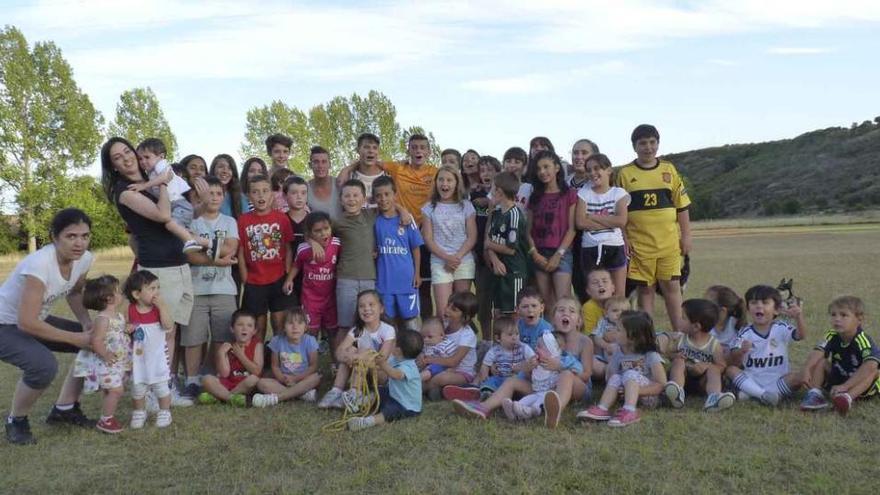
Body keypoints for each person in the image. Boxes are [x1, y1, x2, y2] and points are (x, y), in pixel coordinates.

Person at [101, 137, 194, 407]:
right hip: (157, 268)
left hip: (177, 261)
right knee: (155, 334)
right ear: (113, 166)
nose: (127, 158)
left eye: (128, 151)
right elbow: (164, 215)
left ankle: (164, 388)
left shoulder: (152, 176)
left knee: (170, 330)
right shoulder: (126, 191)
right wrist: (163, 182)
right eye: (118, 157)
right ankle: (149, 393)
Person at [0, 209, 97, 445]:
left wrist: (86, 324)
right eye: (71, 236)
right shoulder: (39, 264)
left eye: (85, 236)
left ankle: (64, 409)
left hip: (34, 319)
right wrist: (75, 339)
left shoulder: (84, 259)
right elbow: (26, 322)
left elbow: (74, 292)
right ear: (55, 237)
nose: (79, 243)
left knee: (93, 340)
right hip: (5, 324)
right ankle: (17, 421)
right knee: (43, 365)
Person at [615, 124, 691, 331]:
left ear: (657, 144)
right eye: (643, 143)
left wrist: (686, 236)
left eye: (652, 142)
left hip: (668, 243)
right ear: (634, 146)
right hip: (640, 245)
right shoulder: (625, 173)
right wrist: (625, 238)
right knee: (645, 291)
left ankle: (678, 336)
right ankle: (647, 338)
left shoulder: (669, 170)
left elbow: (682, 206)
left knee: (672, 288)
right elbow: (619, 213)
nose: (648, 147)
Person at [180, 176, 240, 400]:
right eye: (209, 193)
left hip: (224, 289)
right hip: (196, 288)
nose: (213, 198)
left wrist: (205, 246)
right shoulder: (192, 222)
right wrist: (217, 258)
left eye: (218, 194)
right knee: (194, 337)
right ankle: (192, 380)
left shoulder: (229, 221)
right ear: (199, 196)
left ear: (223, 197)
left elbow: (230, 248)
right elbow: (190, 255)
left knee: (222, 336)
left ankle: (214, 376)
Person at [578, 310, 666, 427]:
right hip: (625, 395)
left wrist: (636, 391)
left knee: (630, 373)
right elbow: (611, 377)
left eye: (618, 330)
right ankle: (602, 408)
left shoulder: (650, 355)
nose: (614, 332)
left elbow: (661, 384)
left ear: (632, 337)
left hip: (648, 397)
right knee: (616, 377)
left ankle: (630, 411)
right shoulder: (618, 352)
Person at [237, 174, 296, 341]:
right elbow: (240, 250)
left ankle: (280, 360)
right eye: (255, 192)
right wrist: (244, 277)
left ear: (272, 194)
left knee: (280, 323)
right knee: (258, 326)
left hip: (278, 278)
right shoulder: (243, 220)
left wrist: (286, 272)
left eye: (265, 191)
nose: (260, 195)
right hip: (254, 281)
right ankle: (259, 362)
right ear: (249, 196)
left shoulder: (281, 218)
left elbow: (288, 247)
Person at [725, 285, 806, 406]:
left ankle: (754, 394)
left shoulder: (781, 328)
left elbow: (801, 335)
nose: (759, 306)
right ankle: (763, 395)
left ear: (776, 310)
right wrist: (741, 350)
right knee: (731, 370)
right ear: (748, 309)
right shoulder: (745, 332)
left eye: (765, 302)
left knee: (799, 377)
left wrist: (799, 317)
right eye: (754, 302)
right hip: (753, 379)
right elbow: (733, 356)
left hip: (778, 379)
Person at [801, 296, 880, 415]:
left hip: (861, 386)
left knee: (874, 371)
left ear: (859, 319)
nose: (837, 319)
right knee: (821, 362)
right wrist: (807, 369)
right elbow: (818, 352)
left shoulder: (862, 340)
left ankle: (847, 399)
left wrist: (845, 386)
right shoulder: (831, 335)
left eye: (843, 315)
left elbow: (871, 365)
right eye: (833, 315)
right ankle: (815, 395)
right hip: (840, 378)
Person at [318, 290, 396, 410]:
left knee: (359, 351)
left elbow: (382, 358)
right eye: (361, 306)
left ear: (381, 309)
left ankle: (354, 393)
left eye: (371, 304)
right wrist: (349, 356)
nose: (366, 309)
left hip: (383, 374)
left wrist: (358, 357)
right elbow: (338, 352)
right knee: (350, 351)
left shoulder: (388, 330)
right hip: (363, 372)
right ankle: (336, 391)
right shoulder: (357, 330)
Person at [72, 275, 131, 434]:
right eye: (118, 292)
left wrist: (127, 329)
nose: (121, 295)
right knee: (116, 390)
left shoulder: (117, 315)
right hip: (106, 363)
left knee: (111, 390)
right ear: (109, 298)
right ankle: (106, 420)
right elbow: (96, 340)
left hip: (116, 361)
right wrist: (105, 354)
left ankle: (107, 416)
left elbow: (116, 332)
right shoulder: (103, 319)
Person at [421, 165, 478, 316]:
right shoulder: (429, 208)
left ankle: (463, 339)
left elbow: (472, 236)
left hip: (463, 260)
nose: (444, 184)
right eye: (441, 180)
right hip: (440, 262)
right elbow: (428, 239)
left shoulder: (466, 206)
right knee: (443, 311)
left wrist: (457, 257)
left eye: (449, 180)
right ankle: (444, 339)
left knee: (463, 310)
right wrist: (447, 258)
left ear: (456, 183)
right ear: (436, 182)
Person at [133, 138, 206, 253]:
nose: (143, 161)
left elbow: (164, 178)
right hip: (174, 206)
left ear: (161, 157)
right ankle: (209, 243)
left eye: (147, 157)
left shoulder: (161, 166)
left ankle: (191, 242)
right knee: (177, 229)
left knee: (171, 225)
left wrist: (144, 186)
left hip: (179, 205)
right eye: (140, 159)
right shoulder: (151, 173)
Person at [526, 150, 577, 313]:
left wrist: (558, 254)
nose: (542, 172)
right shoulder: (535, 197)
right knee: (546, 305)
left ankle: (567, 338)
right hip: (539, 253)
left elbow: (572, 228)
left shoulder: (569, 194)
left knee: (564, 304)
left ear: (556, 167)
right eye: (538, 168)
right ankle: (550, 338)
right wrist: (534, 253)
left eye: (546, 167)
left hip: (562, 253)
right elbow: (527, 230)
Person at [664, 299, 735, 412]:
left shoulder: (713, 345)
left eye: (683, 318)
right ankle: (677, 392)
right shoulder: (680, 339)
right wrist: (675, 356)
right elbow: (669, 354)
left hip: (703, 383)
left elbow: (722, 365)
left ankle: (714, 397)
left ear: (696, 326)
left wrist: (706, 366)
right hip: (684, 378)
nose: (678, 319)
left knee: (714, 369)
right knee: (678, 362)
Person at [125, 270, 175, 429]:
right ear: (136, 294)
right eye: (152, 288)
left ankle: (165, 411)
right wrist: (128, 328)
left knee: (161, 386)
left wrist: (163, 307)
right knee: (138, 387)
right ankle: (139, 411)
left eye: (157, 288)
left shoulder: (158, 308)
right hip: (138, 358)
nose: (157, 292)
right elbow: (125, 327)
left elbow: (168, 326)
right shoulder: (131, 309)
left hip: (158, 356)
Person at [348, 329, 425, 431]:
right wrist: (365, 362)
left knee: (389, 411)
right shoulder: (395, 358)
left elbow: (396, 375)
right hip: (394, 396)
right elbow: (378, 365)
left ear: (398, 350)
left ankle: (367, 422)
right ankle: (360, 403)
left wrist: (382, 364)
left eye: (394, 342)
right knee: (379, 391)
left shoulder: (410, 366)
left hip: (407, 406)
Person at [575, 153, 630, 298]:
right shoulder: (584, 193)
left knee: (618, 294)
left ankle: (618, 321)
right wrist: (609, 221)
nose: (592, 173)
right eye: (589, 170)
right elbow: (580, 222)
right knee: (596, 295)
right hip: (591, 247)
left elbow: (621, 221)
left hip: (615, 246)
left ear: (608, 170)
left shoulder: (619, 193)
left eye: (597, 168)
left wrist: (592, 216)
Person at [373, 176, 424, 331]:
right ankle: (390, 353)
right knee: (388, 323)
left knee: (411, 323)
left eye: (387, 194)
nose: (383, 199)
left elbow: (416, 248)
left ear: (395, 195)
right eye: (378, 195)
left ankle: (414, 353)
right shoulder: (374, 221)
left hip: (406, 281)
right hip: (384, 282)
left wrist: (417, 274)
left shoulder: (407, 220)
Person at [284, 212, 340, 347]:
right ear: (309, 233)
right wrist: (289, 279)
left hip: (331, 298)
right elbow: (296, 265)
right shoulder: (304, 249)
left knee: (333, 333)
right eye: (318, 231)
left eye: (326, 229)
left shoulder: (337, 244)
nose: (323, 233)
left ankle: (336, 365)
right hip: (311, 300)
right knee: (311, 333)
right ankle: (311, 365)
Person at [253, 308, 321, 407]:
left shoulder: (310, 341)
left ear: (306, 327)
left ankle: (276, 398)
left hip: (303, 379)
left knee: (317, 377)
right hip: (284, 381)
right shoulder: (277, 341)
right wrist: (283, 379)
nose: (295, 327)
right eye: (290, 323)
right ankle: (301, 395)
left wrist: (296, 378)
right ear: (284, 327)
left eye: (299, 323)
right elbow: (275, 366)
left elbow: (313, 366)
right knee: (261, 383)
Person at [485, 172, 529, 321]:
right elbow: (488, 242)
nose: (490, 193)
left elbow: (511, 249)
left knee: (514, 313)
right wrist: (495, 260)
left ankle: (517, 344)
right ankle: (500, 343)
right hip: (498, 270)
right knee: (497, 313)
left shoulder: (514, 215)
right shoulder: (497, 213)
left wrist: (490, 245)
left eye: (492, 189)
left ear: (499, 191)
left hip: (513, 272)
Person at [458, 316, 536, 399]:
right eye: (510, 335)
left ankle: (510, 393)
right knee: (491, 380)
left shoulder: (524, 348)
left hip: (517, 380)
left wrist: (525, 366)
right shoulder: (494, 351)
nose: (514, 337)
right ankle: (486, 393)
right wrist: (485, 375)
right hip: (501, 378)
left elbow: (533, 359)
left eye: (517, 334)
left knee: (521, 375)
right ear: (498, 338)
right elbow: (485, 365)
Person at [199, 310, 264, 406]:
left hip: (245, 384)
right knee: (206, 379)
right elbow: (224, 374)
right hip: (228, 382)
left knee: (253, 379)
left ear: (254, 331)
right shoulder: (228, 346)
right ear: (232, 329)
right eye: (240, 325)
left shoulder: (257, 345)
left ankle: (221, 397)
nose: (244, 328)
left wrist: (240, 355)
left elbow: (257, 371)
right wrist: (221, 353)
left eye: (249, 325)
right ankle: (232, 398)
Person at [427, 292, 479, 400]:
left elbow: (453, 362)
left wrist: (429, 359)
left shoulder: (467, 334)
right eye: (448, 305)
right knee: (427, 372)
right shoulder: (444, 326)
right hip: (440, 367)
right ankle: (442, 391)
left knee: (441, 378)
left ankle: (414, 390)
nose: (447, 310)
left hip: (462, 374)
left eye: (453, 309)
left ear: (465, 317)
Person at [472, 156, 501, 340]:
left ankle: (500, 341)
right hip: (480, 256)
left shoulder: (502, 196)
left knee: (499, 304)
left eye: (490, 170)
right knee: (483, 302)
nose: (486, 174)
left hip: (499, 256)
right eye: (482, 171)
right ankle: (486, 340)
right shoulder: (474, 194)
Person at [568, 138, 599, 303]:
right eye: (575, 152)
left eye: (584, 152)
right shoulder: (565, 182)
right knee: (580, 290)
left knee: (598, 289)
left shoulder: (599, 181)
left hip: (595, 241)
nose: (578, 156)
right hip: (570, 241)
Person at [284, 175, 309, 306]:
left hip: (309, 275)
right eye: (294, 193)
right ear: (285, 196)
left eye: (303, 193)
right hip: (287, 274)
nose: (299, 197)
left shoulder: (313, 220)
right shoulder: (281, 220)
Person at [591, 296, 629, 380]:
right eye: (615, 310)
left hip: (627, 356)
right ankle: (612, 374)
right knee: (592, 361)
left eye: (624, 311)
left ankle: (622, 374)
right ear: (606, 313)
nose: (619, 313)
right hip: (608, 354)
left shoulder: (629, 324)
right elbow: (596, 337)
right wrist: (606, 345)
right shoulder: (603, 322)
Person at [347, 133, 387, 207]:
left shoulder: (387, 175)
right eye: (366, 147)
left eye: (375, 148)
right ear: (358, 150)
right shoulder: (349, 176)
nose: (371, 151)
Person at [704, 285, 746, 353]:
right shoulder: (702, 324)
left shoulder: (739, 328)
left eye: (706, 304)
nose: (701, 307)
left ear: (722, 311)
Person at [306, 146, 342, 221]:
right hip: (318, 231)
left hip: (342, 231)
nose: (320, 166)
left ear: (330, 164)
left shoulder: (340, 184)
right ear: (310, 165)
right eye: (316, 162)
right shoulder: (305, 188)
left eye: (324, 162)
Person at [418, 317, 456, 382]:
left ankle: (416, 380)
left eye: (430, 337)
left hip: (440, 367)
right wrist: (421, 355)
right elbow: (421, 352)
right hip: (426, 365)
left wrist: (451, 369)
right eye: (423, 337)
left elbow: (453, 359)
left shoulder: (446, 344)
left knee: (431, 369)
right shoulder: (425, 345)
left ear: (441, 335)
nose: (426, 339)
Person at [581, 268, 616, 338]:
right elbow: (590, 335)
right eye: (595, 282)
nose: (600, 284)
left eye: (605, 281)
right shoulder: (588, 307)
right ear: (588, 291)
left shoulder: (619, 304)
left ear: (613, 288)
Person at [210, 154, 245, 219]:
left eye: (229, 168)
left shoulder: (241, 198)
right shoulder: (204, 194)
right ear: (213, 170)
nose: (225, 171)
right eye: (221, 167)